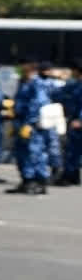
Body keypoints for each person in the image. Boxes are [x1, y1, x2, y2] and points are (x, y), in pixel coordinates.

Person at [7, 60, 52, 195]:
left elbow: (38, 103)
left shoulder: (36, 83)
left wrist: (29, 123)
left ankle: (38, 183)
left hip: (32, 126)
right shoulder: (23, 82)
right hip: (20, 123)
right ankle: (26, 181)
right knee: (21, 153)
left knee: (34, 154)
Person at [52, 58, 82, 186]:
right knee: (72, 150)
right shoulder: (74, 84)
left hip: (77, 121)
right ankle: (73, 175)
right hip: (72, 119)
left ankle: (69, 176)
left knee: (73, 150)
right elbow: (57, 94)